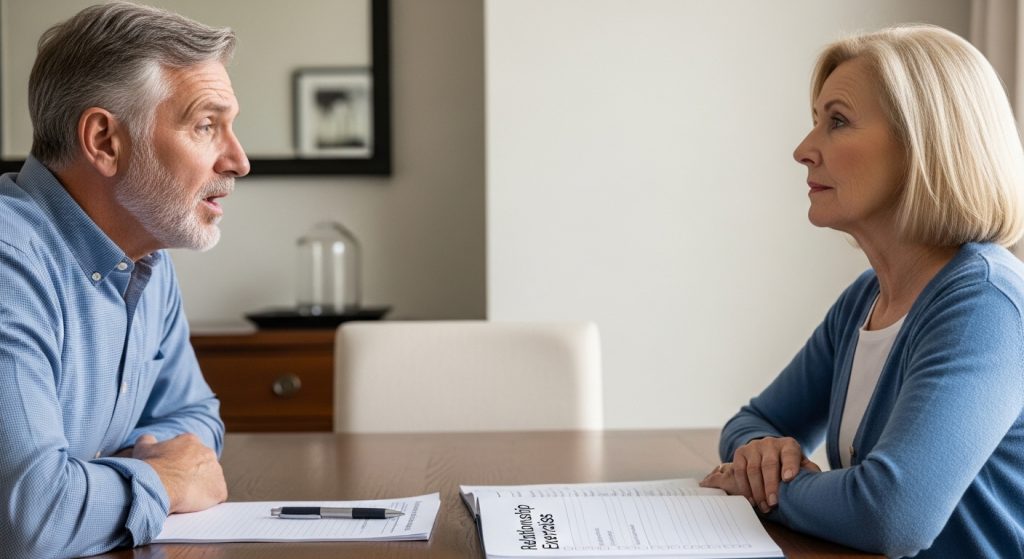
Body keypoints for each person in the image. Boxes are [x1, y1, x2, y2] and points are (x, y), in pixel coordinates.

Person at [698, 24, 1024, 558]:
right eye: (815, 123)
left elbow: (891, 514)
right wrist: (759, 453)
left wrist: (760, 491)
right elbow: (755, 421)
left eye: (838, 122)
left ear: (924, 145)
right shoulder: (866, 298)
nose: (804, 150)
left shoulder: (985, 305)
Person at [0, 2, 249, 557]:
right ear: (105, 141)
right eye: (206, 125)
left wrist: (95, 484)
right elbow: (31, 519)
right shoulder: (8, 260)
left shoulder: (146, 257)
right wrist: (163, 480)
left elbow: (194, 422)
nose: (238, 160)